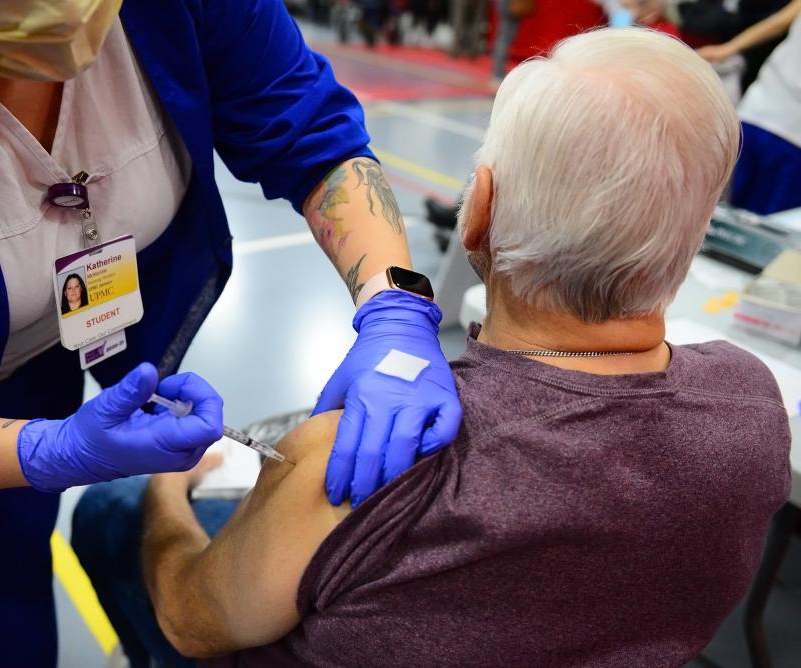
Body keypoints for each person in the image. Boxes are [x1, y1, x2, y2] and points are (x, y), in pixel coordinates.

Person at [72, 27, 791, 668]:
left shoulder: (362, 456)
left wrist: (168, 490)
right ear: (693, 235)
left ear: (477, 211)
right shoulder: (751, 405)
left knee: (114, 509)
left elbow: (194, 622)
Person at [0, 1, 463, 665]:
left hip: (29, 355)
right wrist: (52, 450)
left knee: (6, 564)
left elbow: (316, 137)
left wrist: (394, 304)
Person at [699, 0, 801, 215]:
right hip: (762, 109)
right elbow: (781, 21)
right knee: (718, 208)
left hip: (788, 132)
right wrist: (727, 49)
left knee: (771, 226)